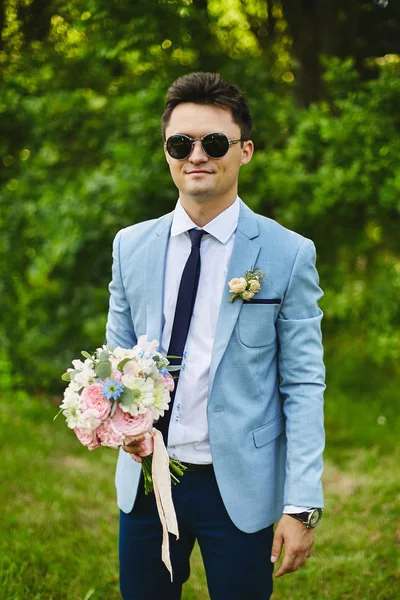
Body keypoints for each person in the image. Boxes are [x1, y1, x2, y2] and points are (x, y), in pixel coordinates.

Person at [106, 72, 325, 600]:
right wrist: (120, 426)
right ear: (167, 152)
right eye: (181, 143)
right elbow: (116, 361)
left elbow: (303, 384)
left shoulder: (288, 253)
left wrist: (302, 504)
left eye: (215, 142)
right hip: (148, 480)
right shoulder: (129, 246)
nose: (197, 155)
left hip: (242, 488)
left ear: (244, 151)